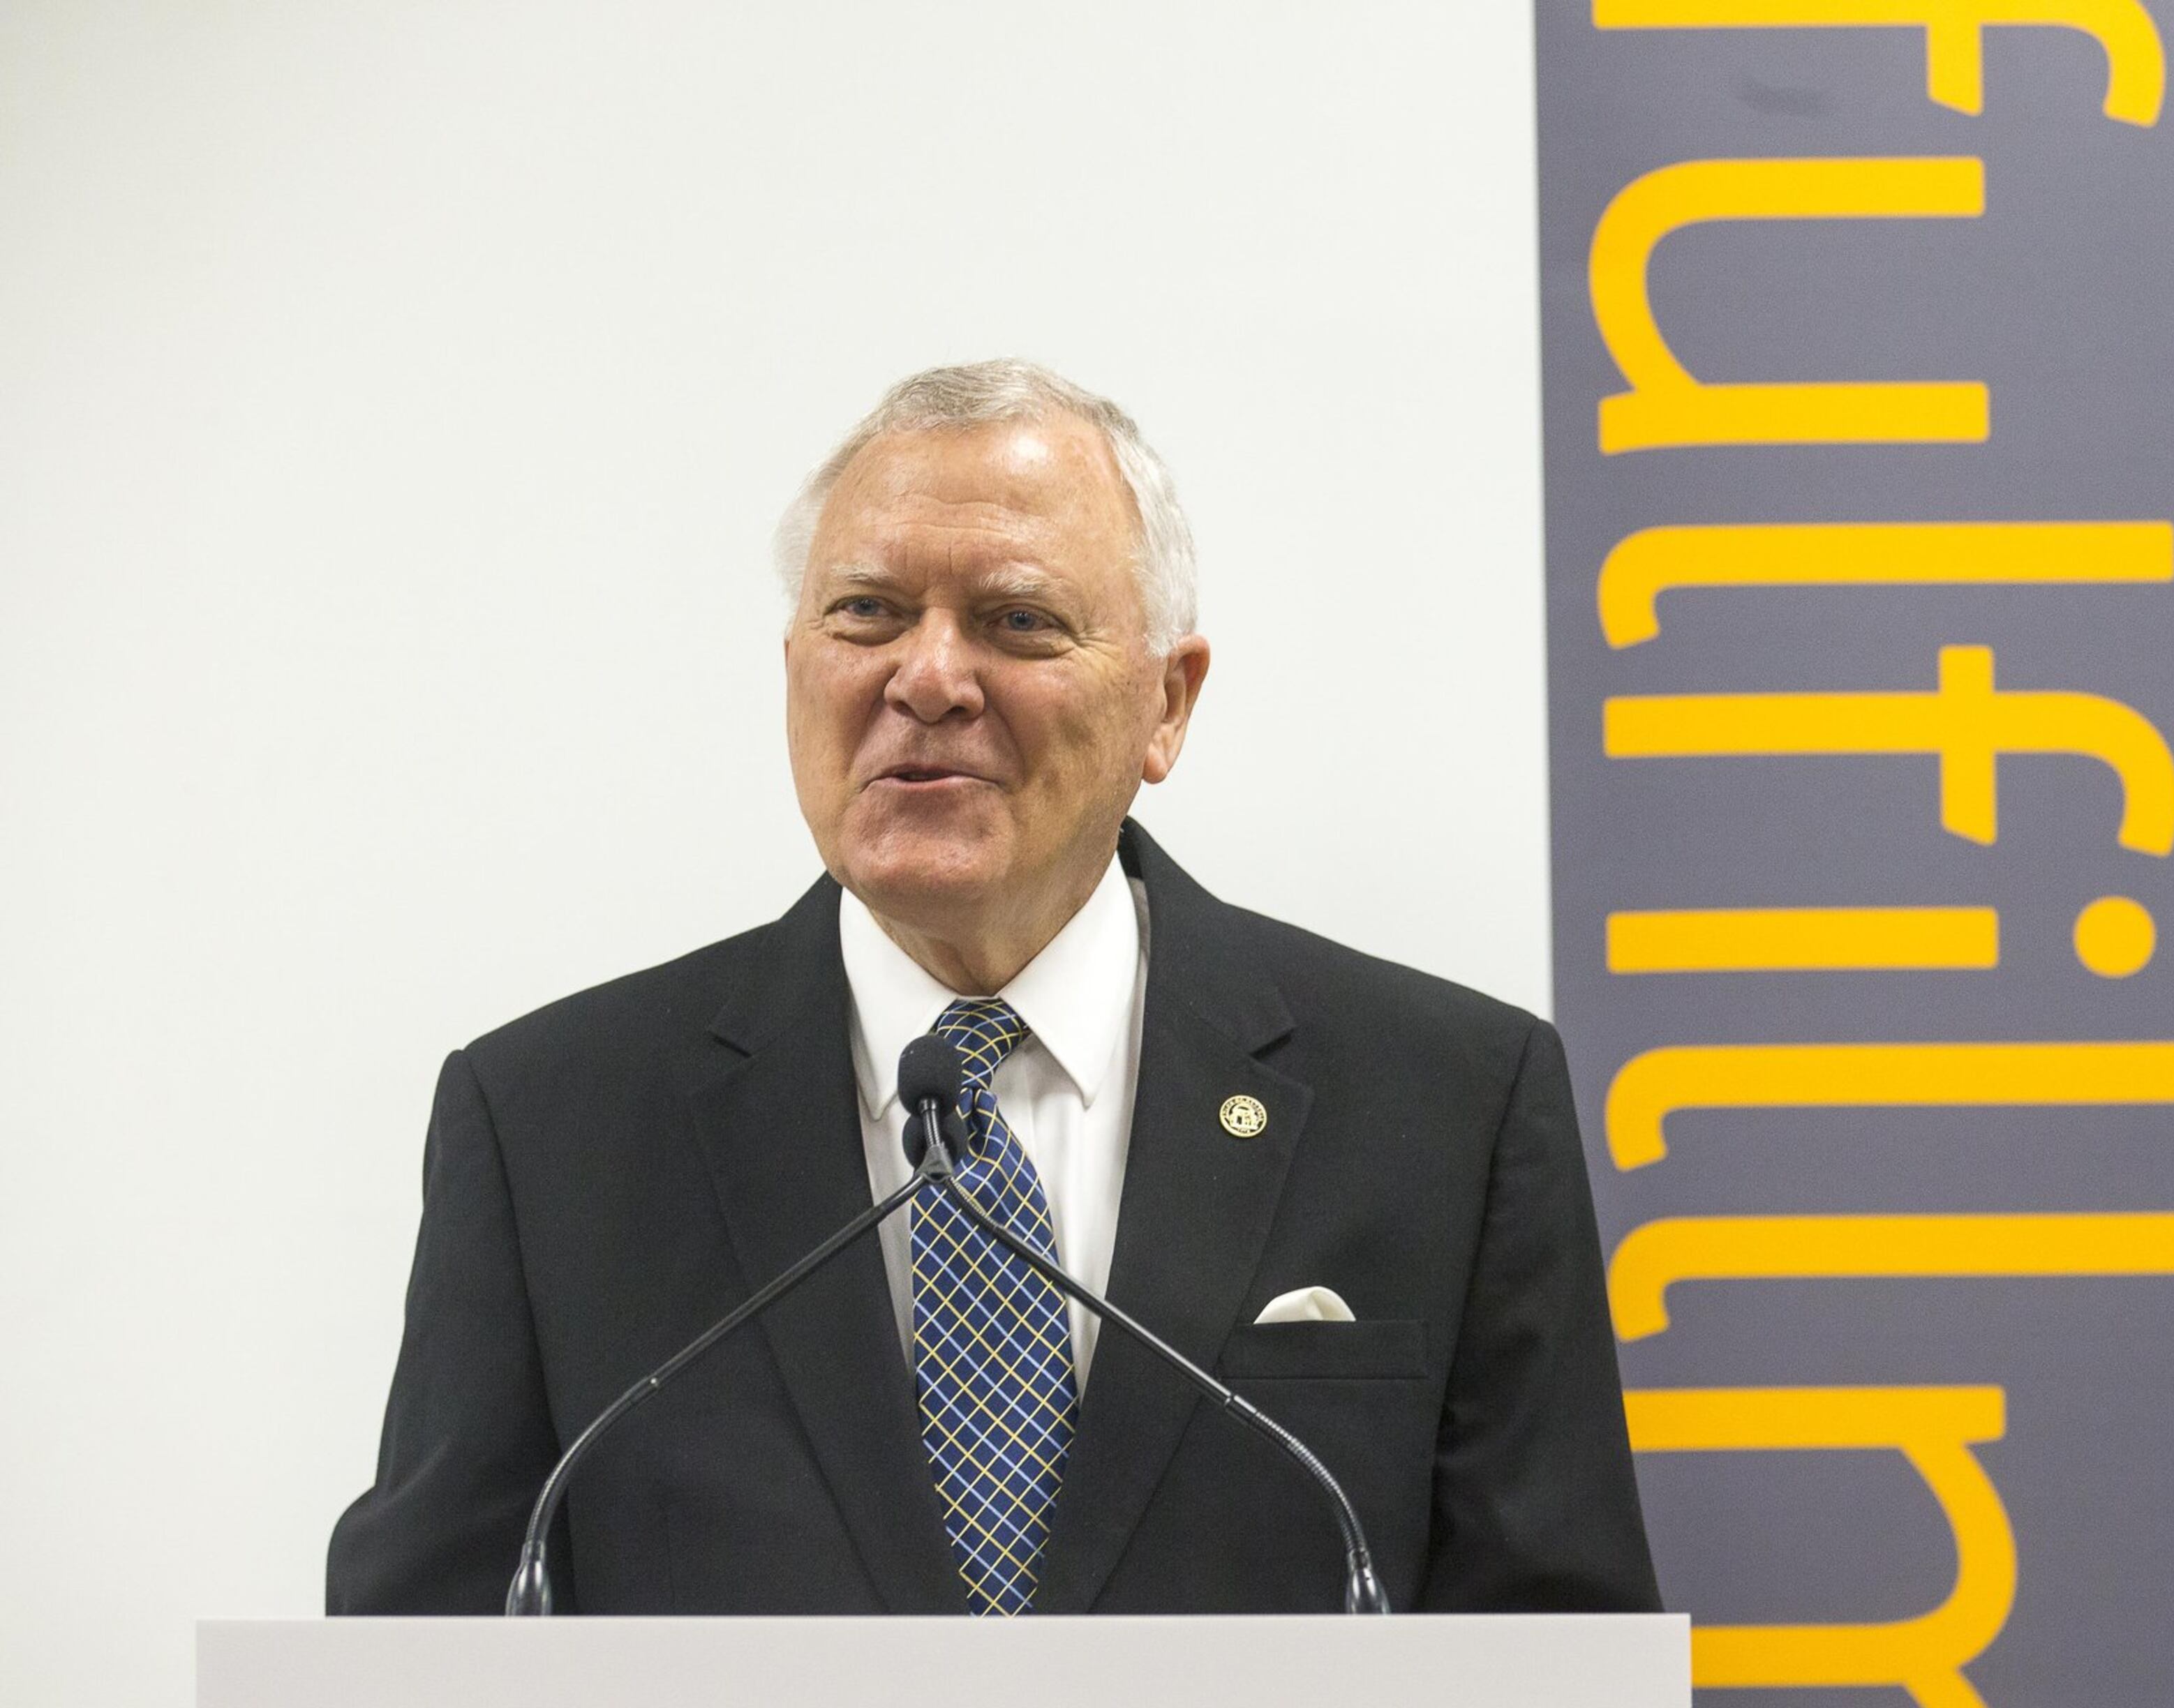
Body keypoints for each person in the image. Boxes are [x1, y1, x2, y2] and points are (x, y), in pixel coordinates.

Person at [326, 359, 1661, 1617]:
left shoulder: (1447, 1108)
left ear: (1168, 705)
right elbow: (414, 1683)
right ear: (794, 670)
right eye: (866, 614)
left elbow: (1577, 1698)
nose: (926, 678)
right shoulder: (551, 1128)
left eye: (1018, 622)